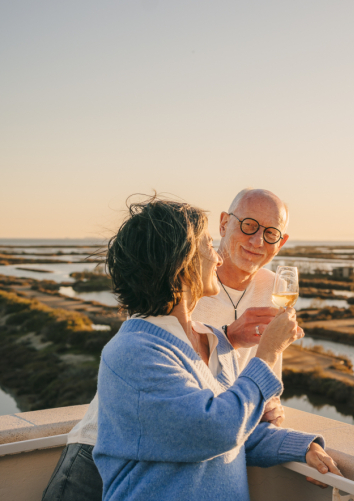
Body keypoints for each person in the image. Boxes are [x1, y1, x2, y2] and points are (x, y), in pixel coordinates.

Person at [42, 190, 320, 500]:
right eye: (248, 226)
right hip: (104, 447)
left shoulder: (218, 338)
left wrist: (295, 439)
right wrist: (265, 355)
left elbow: (226, 416)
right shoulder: (138, 344)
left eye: (270, 233)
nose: (257, 241)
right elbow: (210, 426)